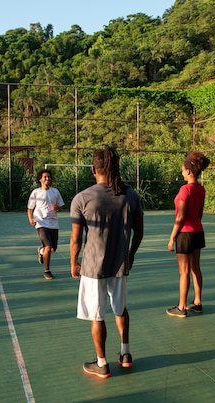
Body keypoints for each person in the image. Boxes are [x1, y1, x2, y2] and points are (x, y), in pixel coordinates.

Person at [70, 146, 144, 379]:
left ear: (93, 169)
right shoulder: (131, 195)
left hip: (93, 267)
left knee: (97, 314)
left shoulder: (82, 198)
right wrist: (130, 255)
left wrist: (74, 262)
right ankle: (125, 353)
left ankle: (101, 363)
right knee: (120, 308)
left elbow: (76, 238)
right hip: (120, 265)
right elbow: (139, 232)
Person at [166, 151, 211, 318]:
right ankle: (197, 302)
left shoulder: (185, 190)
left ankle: (181, 307)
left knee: (184, 272)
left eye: (183, 170)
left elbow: (180, 216)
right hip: (198, 232)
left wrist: (172, 238)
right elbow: (199, 213)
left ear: (189, 171)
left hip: (185, 234)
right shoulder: (201, 189)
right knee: (195, 268)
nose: (182, 172)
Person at [27, 169, 65, 280]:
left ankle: (42, 251)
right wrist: (31, 219)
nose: (47, 179)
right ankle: (47, 271)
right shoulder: (36, 192)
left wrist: (56, 207)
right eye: (45, 177)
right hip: (41, 222)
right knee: (48, 246)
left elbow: (61, 207)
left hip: (53, 223)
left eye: (49, 177)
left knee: (52, 249)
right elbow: (30, 208)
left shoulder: (55, 192)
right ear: (40, 179)